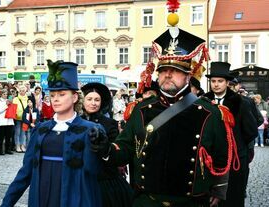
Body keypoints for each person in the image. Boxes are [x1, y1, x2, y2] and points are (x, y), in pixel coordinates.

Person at [90, 6, 238, 205]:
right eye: (163, 70)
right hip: (148, 202)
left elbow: (221, 157)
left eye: (174, 70)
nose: (167, 74)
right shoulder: (140, 110)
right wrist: (105, 148)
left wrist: (219, 191)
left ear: (188, 75)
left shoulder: (210, 113)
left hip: (190, 203)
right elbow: (124, 149)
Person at [1, 60, 104, 207]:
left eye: (61, 94)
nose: (55, 99)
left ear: (74, 97)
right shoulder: (40, 129)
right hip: (41, 197)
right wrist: (7, 203)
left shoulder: (91, 129)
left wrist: (100, 146)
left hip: (74, 198)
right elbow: (25, 172)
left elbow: (93, 171)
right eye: (53, 94)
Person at [204, 61, 258, 207]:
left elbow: (251, 130)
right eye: (213, 81)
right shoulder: (203, 101)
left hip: (235, 160)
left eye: (220, 81)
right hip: (210, 159)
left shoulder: (241, 102)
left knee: (233, 198)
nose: (216, 84)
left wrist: (238, 147)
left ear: (227, 82)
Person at [81, 82, 133, 207]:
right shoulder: (75, 122)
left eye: (97, 100)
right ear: (82, 101)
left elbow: (114, 154)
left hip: (104, 180)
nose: (93, 103)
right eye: (89, 99)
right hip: (80, 179)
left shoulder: (110, 124)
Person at [0, 89, 15, 155]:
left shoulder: (9, 101)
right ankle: (0, 151)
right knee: (1, 137)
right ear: (1, 94)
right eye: (4, 94)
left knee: (8, 137)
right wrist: (6, 105)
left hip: (9, 121)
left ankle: (7, 150)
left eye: (6, 94)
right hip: (1, 122)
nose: (5, 95)